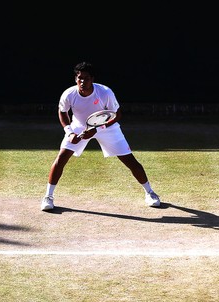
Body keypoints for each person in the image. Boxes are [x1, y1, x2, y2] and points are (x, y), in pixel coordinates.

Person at [41, 61, 161, 211]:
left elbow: (117, 115)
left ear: (93, 79)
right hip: (78, 126)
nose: (83, 82)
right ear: (75, 79)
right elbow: (63, 112)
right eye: (80, 78)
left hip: (106, 127)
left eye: (86, 78)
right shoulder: (69, 94)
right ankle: (48, 196)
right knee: (62, 157)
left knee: (129, 160)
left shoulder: (105, 92)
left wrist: (98, 129)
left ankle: (150, 193)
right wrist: (69, 132)